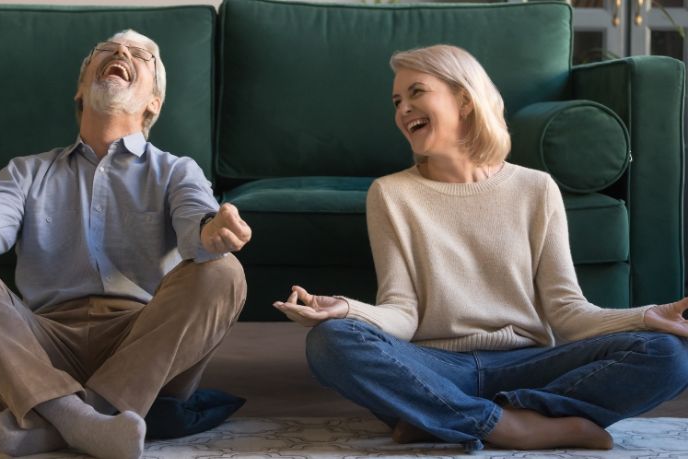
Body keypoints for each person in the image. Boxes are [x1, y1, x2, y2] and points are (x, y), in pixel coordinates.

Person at [273, 44, 688, 452]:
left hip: (528, 365)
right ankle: (514, 428)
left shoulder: (536, 189)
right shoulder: (391, 193)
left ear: (465, 100)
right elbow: (402, 312)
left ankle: (437, 418)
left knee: (667, 353)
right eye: (397, 100)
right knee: (331, 341)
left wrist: (647, 316)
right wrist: (345, 309)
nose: (402, 110)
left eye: (416, 92)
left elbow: (568, 313)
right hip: (434, 367)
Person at [0, 29, 251, 459]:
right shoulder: (25, 171)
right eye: (107, 49)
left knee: (223, 271)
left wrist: (211, 230)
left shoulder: (177, 171)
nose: (122, 51)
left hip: (144, 348)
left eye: (141, 54)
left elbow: (195, 223)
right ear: (81, 87)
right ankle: (88, 421)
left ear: (153, 104)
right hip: (40, 345)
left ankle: (62, 417)